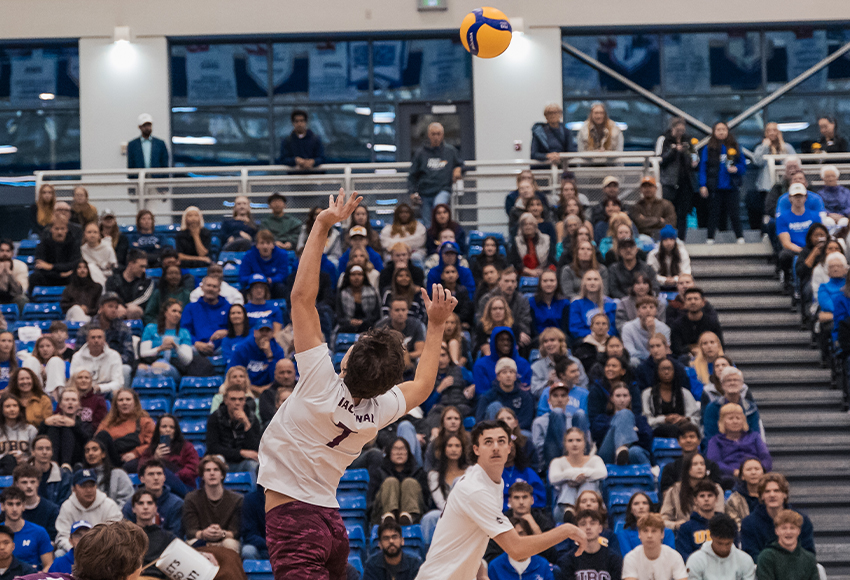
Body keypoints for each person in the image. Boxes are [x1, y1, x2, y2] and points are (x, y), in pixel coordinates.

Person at [256, 189, 457, 578]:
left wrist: (322, 224)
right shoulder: (378, 411)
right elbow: (423, 385)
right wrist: (436, 326)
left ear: (345, 359)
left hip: (296, 522)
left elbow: (301, 297)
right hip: (331, 523)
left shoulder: (319, 382)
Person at [417, 421, 586, 579]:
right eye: (488, 442)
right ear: (476, 449)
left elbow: (471, 537)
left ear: (509, 447)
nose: (496, 447)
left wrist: (481, 572)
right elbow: (517, 549)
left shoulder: (492, 482)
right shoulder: (475, 490)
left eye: (501, 441)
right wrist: (566, 531)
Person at [740, 473, 815, 562]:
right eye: (767, 491)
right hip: (763, 571)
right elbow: (751, 555)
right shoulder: (749, 523)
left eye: (777, 491)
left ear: (785, 494)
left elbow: (809, 552)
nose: (772, 495)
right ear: (762, 496)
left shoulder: (801, 520)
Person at [407, 122, 463, 228]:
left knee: (439, 209)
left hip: (442, 189)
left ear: (442, 135)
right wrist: (412, 192)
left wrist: (458, 169)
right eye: (433, 134)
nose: (436, 137)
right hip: (425, 193)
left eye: (438, 134)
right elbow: (412, 175)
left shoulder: (450, 151)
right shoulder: (420, 153)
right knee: (428, 224)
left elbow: (461, 163)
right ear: (429, 135)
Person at [699, 121, 746, 244]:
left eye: (724, 129)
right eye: (718, 129)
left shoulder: (735, 146)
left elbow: (743, 165)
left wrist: (736, 169)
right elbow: (703, 168)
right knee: (713, 214)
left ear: (727, 131)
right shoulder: (708, 148)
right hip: (715, 186)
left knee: (734, 213)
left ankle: (739, 237)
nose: (721, 132)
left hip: (732, 186)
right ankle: (710, 237)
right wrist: (703, 185)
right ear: (714, 132)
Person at [184, 455, 243, 553]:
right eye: (207, 470)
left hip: (225, 539)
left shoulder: (237, 499)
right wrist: (204, 533)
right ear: (202, 475)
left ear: (222, 475)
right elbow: (190, 531)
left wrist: (222, 533)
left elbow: (236, 532)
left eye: (216, 470)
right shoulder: (191, 499)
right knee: (191, 543)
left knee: (230, 543)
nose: (212, 473)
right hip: (201, 539)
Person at [55, 468, 123, 553]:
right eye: (83, 486)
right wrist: (74, 550)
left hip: (103, 552)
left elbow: (116, 535)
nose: (89, 490)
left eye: (92, 485)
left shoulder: (109, 505)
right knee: (59, 553)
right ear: (74, 489)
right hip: (75, 552)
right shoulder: (67, 506)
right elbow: (62, 536)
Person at [367, 437, 429, 526]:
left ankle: (408, 517)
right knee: (391, 482)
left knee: (409, 483)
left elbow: (425, 502)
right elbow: (371, 501)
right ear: (389, 452)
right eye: (395, 449)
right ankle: (389, 516)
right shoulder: (379, 472)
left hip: (415, 517)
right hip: (381, 516)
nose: (399, 452)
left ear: (408, 452)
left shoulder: (419, 473)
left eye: (403, 449)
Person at [548, 428, 606, 522]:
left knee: (588, 482)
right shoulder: (557, 462)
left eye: (578, 440)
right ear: (565, 444)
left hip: (594, 510)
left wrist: (580, 476)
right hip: (562, 511)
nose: (574, 444)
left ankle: (584, 509)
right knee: (567, 484)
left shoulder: (595, 459)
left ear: (584, 443)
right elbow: (553, 478)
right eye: (570, 441)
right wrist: (573, 477)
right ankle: (569, 508)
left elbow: (603, 473)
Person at [206, 381, 261, 476]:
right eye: (233, 399)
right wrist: (240, 452)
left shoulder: (252, 418)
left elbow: (255, 449)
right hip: (223, 461)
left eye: (240, 399)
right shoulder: (215, 417)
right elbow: (213, 447)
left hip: (242, 463)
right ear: (225, 400)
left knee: (254, 465)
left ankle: (254, 491)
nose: (237, 403)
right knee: (217, 460)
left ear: (245, 401)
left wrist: (247, 425)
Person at [749, 123, 797, 231]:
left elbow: (795, 163)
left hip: (784, 186)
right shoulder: (760, 147)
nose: (772, 133)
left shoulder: (787, 147)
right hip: (766, 186)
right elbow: (757, 162)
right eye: (769, 130)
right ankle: (766, 232)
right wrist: (765, 147)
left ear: (779, 132)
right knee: (767, 211)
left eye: (774, 130)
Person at [776, 183, 822, 294]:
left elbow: (819, 236)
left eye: (800, 196)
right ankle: (787, 278)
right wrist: (802, 251)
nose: (798, 199)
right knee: (784, 255)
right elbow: (786, 242)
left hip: (811, 248)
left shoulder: (815, 216)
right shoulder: (782, 218)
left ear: (805, 197)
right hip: (794, 249)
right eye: (795, 196)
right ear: (790, 198)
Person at [422, 433, 468, 542]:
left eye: (457, 446)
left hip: (466, 512)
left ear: (462, 449)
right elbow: (440, 502)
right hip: (444, 513)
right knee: (430, 517)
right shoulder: (434, 475)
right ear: (444, 449)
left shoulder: (470, 471)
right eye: (450, 445)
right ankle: (428, 556)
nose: (454, 449)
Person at [591, 382, 652, 466]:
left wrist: (626, 428)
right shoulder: (602, 419)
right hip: (608, 454)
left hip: (633, 451)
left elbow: (647, 439)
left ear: (630, 398)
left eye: (625, 396)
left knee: (634, 451)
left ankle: (622, 451)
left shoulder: (640, 419)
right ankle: (621, 450)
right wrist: (624, 428)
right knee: (624, 414)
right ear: (612, 398)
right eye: (618, 396)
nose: (622, 400)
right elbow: (598, 437)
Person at [660, 454, 724, 532]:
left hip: (710, 532)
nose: (700, 467)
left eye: (702, 464)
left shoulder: (716, 489)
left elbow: (720, 516)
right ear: (687, 468)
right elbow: (663, 520)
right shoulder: (674, 491)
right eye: (695, 464)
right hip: (682, 533)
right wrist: (675, 525)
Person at [657, 117, 699, 237]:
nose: (680, 133)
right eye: (678, 130)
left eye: (682, 130)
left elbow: (695, 156)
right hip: (669, 183)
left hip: (685, 181)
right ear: (673, 128)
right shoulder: (664, 139)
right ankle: (667, 237)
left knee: (683, 213)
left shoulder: (689, 140)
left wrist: (693, 161)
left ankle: (681, 238)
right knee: (668, 212)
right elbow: (660, 159)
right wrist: (674, 150)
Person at [120, 459, 183, 536]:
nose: (156, 478)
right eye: (151, 474)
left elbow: (176, 537)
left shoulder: (176, 504)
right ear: (142, 479)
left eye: (159, 474)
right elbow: (126, 536)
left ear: (164, 478)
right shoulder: (131, 505)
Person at [137, 414, 199, 491]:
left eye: (171, 427)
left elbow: (193, 469)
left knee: (164, 472)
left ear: (176, 430)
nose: (168, 430)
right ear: (158, 430)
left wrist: (174, 476)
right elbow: (141, 469)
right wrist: (155, 458)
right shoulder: (151, 448)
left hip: (183, 485)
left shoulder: (187, 447)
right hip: (157, 486)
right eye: (164, 427)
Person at [95, 388, 155, 467]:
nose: (124, 403)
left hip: (133, 458)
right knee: (102, 435)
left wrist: (135, 453)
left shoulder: (145, 422)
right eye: (120, 400)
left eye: (128, 399)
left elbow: (153, 444)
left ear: (135, 402)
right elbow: (96, 441)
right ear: (116, 404)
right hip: (111, 458)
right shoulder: (107, 423)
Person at [685, 513, 755, 580]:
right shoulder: (696, 561)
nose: (723, 549)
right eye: (719, 543)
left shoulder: (745, 560)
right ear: (711, 536)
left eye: (728, 544)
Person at [641, 358, 700, 438]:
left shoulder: (685, 393)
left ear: (674, 371)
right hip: (657, 431)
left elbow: (695, 418)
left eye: (669, 369)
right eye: (663, 369)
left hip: (682, 430)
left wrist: (684, 419)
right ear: (657, 372)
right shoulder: (647, 394)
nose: (666, 372)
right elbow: (646, 420)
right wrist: (664, 419)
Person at [557, 509, 623, 580]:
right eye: (583, 524)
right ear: (577, 529)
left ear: (600, 528)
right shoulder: (568, 560)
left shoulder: (614, 559)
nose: (588, 527)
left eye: (592, 523)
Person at [138, 298, 193, 382]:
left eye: (179, 312)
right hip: (152, 362)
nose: (177, 314)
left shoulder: (183, 332)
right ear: (165, 313)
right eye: (174, 311)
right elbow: (143, 353)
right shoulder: (150, 328)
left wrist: (176, 347)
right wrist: (160, 348)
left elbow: (187, 360)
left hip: (174, 367)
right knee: (140, 369)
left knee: (160, 367)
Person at [755, 510, 819, 580]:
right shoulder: (766, 557)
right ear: (776, 531)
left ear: (799, 531)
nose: (788, 532)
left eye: (792, 528)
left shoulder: (809, 559)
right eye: (784, 528)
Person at [475, 358, 536, 430]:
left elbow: (526, 421)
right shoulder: (487, 396)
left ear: (515, 376)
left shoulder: (525, 396)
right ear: (498, 377)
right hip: (493, 433)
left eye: (511, 372)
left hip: (517, 433)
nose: (508, 375)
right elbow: (480, 420)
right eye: (504, 372)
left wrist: (511, 431)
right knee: (495, 406)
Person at [0, 486, 52, 570]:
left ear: (23, 506)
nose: (14, 509)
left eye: (18, 504)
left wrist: (39, 576)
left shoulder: (39, 532)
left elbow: (49, 565)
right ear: (2, 506)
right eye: (10, 504)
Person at [38, 389, 89, 469]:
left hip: (76, 459)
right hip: (50, 458)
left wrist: (74, 425)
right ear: (60, 405)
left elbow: (88, 441)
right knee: (54, 427)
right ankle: (53, 463)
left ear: (79, 405)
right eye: (66, 400)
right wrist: (45, 424)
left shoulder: (84, 423)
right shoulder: (51, 421)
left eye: (73, 400)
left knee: (67, 429)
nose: (70, 402)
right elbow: (38, 440)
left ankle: (66, 465)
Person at [473, 327, 532, 396]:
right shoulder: (481, 365)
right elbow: (482, 393)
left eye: (508, 340)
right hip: (491, 403)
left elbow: (526, 389)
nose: (506, 343)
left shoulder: (523, 364)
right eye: (501, 340)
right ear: (494, 342)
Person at [674, 480, 724, 561]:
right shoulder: (686, 528)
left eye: (710, 495)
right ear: (695, 500)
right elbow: (684, 555)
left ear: (716, 499)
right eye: (702, 496)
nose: (706, 499)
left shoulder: (725, 525)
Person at [530, 329, 588, 397]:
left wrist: (570, 382)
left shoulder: (575, 362)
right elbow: (534, 392)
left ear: (561, 342)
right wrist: (549, 382)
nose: (549, 344)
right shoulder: (536, 366)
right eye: (545, 341)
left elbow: (584, 386)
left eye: (552, 340)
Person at [181, 276, 230, 356]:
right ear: (202, 287)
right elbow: (184, 330)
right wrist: (196, 343)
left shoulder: (228, 307)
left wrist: (227, 332)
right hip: (196, 348)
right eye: (208, 285)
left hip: (221, 347)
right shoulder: (191, 308)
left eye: (214, 286)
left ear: (219, 290)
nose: (211, 289)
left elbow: (238, 329)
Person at [78, 440, 134, 509]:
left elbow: (127, 500)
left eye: (95, 450)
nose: (90, 453)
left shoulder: (118, 474)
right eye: (87, 451)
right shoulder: (80, 477)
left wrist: (112, 515)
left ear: (103, 454)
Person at [69, 327, 123, 396]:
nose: (96, 340)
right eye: (93, 337)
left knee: (117, 392)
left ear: (104, 340)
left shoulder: (114, 356)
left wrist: (100, 388)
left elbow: (118, 383)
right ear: (87, 340)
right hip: (83, 392)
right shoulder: (77, 356)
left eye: (99, 337)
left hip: (107, 392)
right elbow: (73, 379)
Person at [239, 229, 292, 299]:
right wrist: (257, 279)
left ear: (273, 245)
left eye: (268, 243)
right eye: (262, 243)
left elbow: (283, 274)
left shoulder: (282, 255)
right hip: (254, 285)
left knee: (282, 288)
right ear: (257, 245)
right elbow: (243, 277)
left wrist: (271, 280)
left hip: (273, 286)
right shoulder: (249, 256)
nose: (265, 246)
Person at [669, 290, 724, 357]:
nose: (693, 302)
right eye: (689, 299)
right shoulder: (677, 324)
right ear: (684, 303)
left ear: (703, 302)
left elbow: (720, 346)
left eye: (696, 299)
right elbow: (676, 349)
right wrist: (690, 349)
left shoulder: (712, 323)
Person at [29, 221, 80, 292]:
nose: (59, 232)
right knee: (34, 277)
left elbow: (74, 264)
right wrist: (59, 275)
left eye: (62, 229)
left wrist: (51, 266)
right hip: (49, 277)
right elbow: (40, 266)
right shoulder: (43, 244)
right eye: (56, 229)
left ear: (67, 230)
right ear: (51, 229)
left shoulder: (74, 244)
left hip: (68, 277)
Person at [13, 464, 59, 542]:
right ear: (17, 484)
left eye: (32, 482)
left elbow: (52, 539)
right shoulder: (11, 509)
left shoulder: (51, 510)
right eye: (24, 482)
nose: (29, 486)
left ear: (38, 483)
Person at [104, 249, 154, 320]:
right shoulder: (113, 280)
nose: (144, 270)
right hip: (117, 309)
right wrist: (118, 306)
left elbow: (144, 298)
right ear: (131, 264)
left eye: (145, 267)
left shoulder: (147, 281)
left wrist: (124, 306)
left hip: (136, 311)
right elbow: (110, 296)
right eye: (141, 266)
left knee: (133, 310)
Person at [376, 299, 426, 368]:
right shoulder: (381, 327)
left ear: (407, 311)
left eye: (403, 310)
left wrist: (406, 355)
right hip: (388, 362)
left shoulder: (416, 325)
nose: (400, 313)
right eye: (397, 310)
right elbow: (378, 351)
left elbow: (420, 351)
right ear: (390, 312)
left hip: (411, 362)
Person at [622, 297, 671, 366]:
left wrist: (652, 331)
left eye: (651, 307)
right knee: (633, 361)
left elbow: (665, 351)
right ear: (638, 311)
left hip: (658, 360)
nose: (648, 310)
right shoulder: (628, 327)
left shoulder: (664, 328)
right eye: (644, 307)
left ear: (656, 311)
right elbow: (629, 351)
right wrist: (648, 356)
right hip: (638, 361)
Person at [569, 270, 617, 341]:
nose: (592, 282)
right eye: (589, 279)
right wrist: (595, 336)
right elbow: (575, 329)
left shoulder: (610, 304)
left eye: (596, 279)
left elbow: (613, 328)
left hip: (606, 340)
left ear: (600, 283)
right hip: (585, 341)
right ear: (584, 283)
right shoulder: (576, 304)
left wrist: (602, 336)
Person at [336, 264, 382, 333]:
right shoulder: (342, 293)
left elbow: (376, 315)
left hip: (368, 326)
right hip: (347, 327)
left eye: (359, 274)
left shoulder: (372, 292)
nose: (356, 277)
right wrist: (350, 321)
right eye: (353, 274)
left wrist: (363, 321)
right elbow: (339, 317)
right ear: (348, 276)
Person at [29, 435, 72, 506]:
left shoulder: (64, 475)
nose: (44, 452)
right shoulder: (22, 475)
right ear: (33, 452)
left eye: (48, 449)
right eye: (40, 449)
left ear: (52, 452)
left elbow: (65, 504)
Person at [725, 458, 766, 530]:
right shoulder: (734, 499)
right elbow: (735, 525)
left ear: (763, 473)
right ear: (742, 476)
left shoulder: (771, 496)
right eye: (749, 470)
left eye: (757, 469)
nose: (753, 472)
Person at [647, 226, 691, 291]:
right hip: (658, 285)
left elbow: (686, 272)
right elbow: (651, 273)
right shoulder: (653, 254)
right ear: (661, 241)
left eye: (671, 239)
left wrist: (675, 279)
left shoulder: (682, 253)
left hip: (679, 284)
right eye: (665, 240)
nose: (669, 243)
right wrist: (665, 280)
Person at [258, 359, 296, 426]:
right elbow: (268, 418)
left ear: (295, 373)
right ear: (275, 374)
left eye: (289, 372)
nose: (286, 376)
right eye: (282, 372)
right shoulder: (266, 394)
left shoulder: (303, 391)